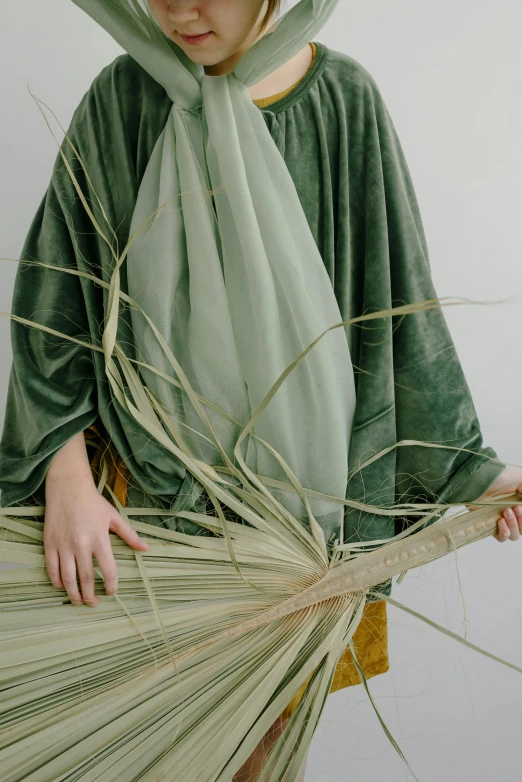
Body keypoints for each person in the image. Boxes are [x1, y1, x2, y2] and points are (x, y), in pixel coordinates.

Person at [1, 2, 521, 780]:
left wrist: (476, 473)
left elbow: (396, 312)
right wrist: (66, 477)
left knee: (264, 748)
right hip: (146, 515)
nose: (178, 10)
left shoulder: (343, 101)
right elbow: (57, 309)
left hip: (305, 528)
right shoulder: (123, 99)